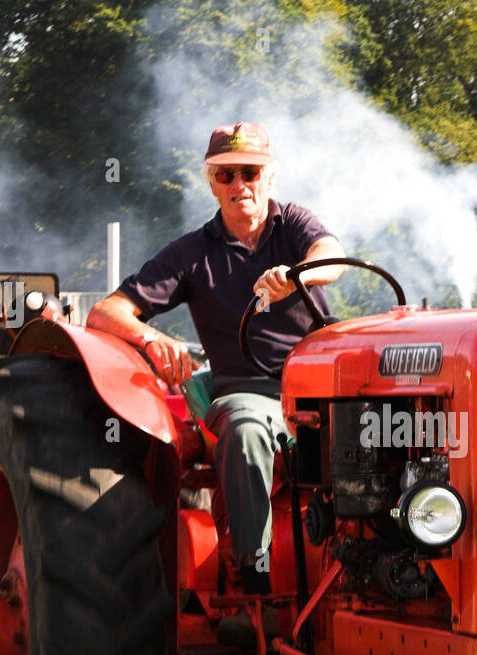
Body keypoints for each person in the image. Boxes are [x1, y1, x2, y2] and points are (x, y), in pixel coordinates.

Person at [86, 121, 347, 592]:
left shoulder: (294, 226)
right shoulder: (192, 254)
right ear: (211, 182)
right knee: (246, 429)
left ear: (269, 177)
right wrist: (149, 338)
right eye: (225, 175)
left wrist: (297, 275)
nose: (239, 185)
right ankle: (255, 570)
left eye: (249, 172)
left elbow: (332, 254)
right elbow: (106, 312)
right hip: (246, 390)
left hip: (321, 389)